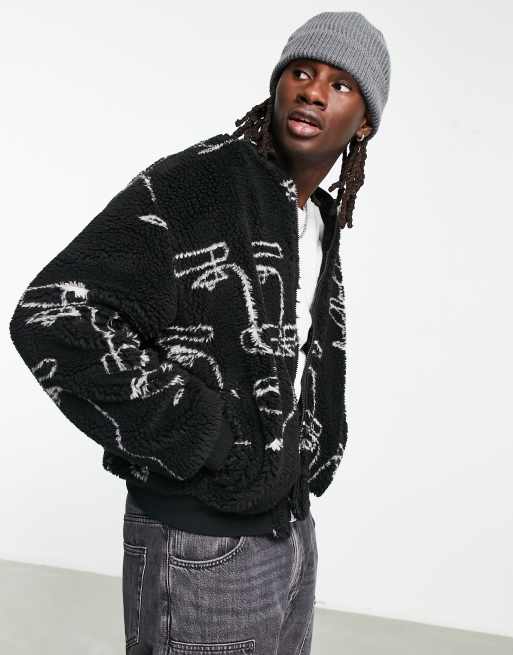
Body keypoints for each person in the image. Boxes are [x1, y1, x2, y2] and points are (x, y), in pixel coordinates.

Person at [9, 11, 391, 654]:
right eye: (301, 72)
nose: (314, 92)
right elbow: (52, 316)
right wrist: (203, 435)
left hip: (291, 534)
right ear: (276, 85)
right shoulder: (198, 182)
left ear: (365, 123)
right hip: (200, 542)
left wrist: (310, 458)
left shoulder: (318, 220)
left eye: (341, 84)